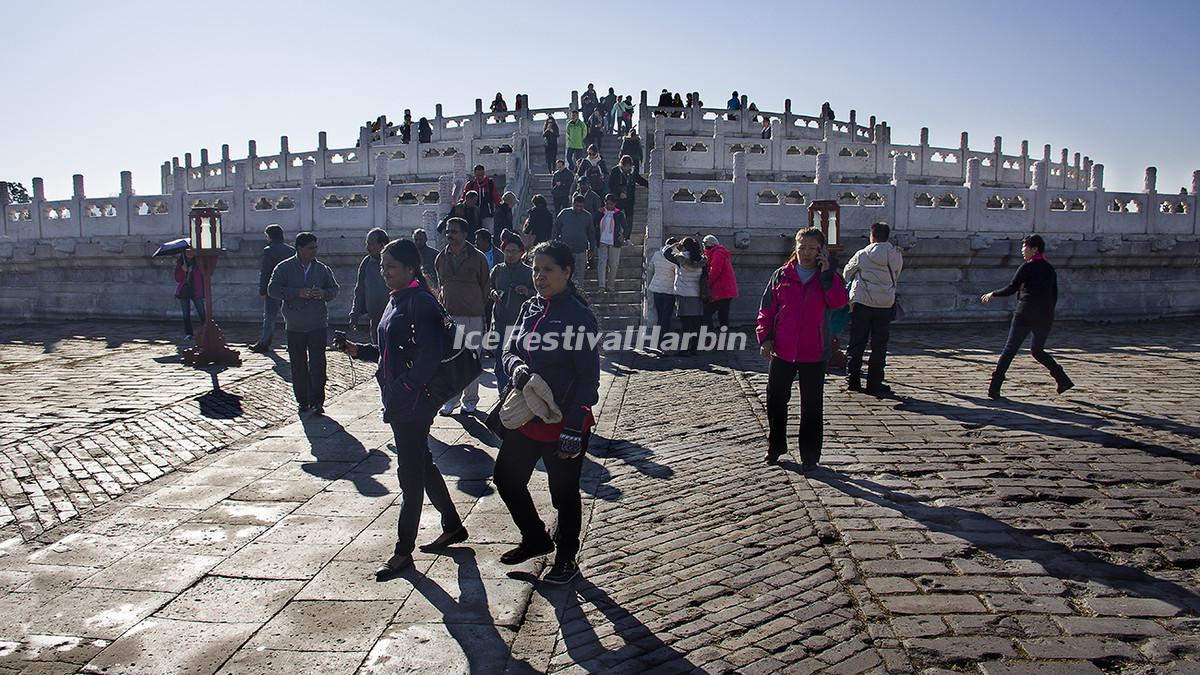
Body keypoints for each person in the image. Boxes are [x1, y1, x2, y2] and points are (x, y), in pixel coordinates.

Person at [341, 239, 467, 579]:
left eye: (391, 267)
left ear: (411, 269)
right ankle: (453, 525)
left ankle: (402, 552)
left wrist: (404, 387)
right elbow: (392, 350)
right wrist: (360, 351)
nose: (384, 273)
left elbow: (427, 358)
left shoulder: (421, 303)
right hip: (400, 399)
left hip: (412, 402)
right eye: (382, 267)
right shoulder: (398, 299)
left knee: (409, 477)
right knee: (421, 464)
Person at [494, 240, 601, 585]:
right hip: (528, 416)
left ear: (567, 272)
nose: (540, 277)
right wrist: (517, 370)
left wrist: (574, 426)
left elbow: (589, 378)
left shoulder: (580, 318)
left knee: (563, 493)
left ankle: (566, 557)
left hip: (565, 422)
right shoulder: (529, 307)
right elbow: (509, 350)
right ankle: (536, 537)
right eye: (536, 270)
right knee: (507, 479)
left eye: (548, 270)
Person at [757, 227, 849, 469]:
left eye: (812, 249)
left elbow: (839, 302)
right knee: (776, 399)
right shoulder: (781, 275)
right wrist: (765, 338)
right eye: (802, 248)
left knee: (811, 404)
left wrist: (828, 274)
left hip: (814, 350)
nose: (806, 253)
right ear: (795, 249)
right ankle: (775, 446)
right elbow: (766, 309)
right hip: (783, 349)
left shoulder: (829, 277)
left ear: (821, 251)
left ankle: (810, 454)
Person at [981, 234, 1073, 399]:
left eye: (1024, 247)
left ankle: (994, 388)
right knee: (1038, 350)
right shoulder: (1049, 269)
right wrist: (1046, 312)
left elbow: (1012, 288)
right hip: (1045, 315)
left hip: (1026, 312)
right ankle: (1062, 379)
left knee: (1010, 349)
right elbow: (1054, 296)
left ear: (1034, 249)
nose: (1022, 250)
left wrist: (993, 294)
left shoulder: (1027, 267)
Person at [268, 232, 340, 416]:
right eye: (311, 248)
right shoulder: (284, 268)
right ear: (300, 249)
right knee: (298, 365)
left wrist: (323, 293)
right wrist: (296, 292)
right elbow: (273, 289)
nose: (314, 251)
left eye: (315, 247)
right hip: (295, 324)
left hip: (317, 323)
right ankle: (303, 400)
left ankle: (318, 401)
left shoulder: (322, 269)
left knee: (318, 364)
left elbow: (334, 289)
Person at [434, 218, 490, 415]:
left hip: (473, 316)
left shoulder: (478, 257)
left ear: (465, 234)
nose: (450, 235)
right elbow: (441, 284)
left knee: (472, 358)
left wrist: (475, 303)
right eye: (448, 231)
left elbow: (485, 285)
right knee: (451, 359)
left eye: (455, 231)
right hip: (451, 317)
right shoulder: (441, 257)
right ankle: (451, 400)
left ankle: (471, 400)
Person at [842, 222, 903, 396]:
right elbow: (896, 275)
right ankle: (875, 382)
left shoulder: (862, 254)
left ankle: (853, 379)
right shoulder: (896, 254)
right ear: (887, 236)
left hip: (862, 303)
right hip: (885, 304)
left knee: (857, 342)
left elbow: (847, 273)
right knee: (879, 345)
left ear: (872, 235)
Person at [489, 230, 534, 391]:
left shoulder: (529, 272)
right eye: (507, 251)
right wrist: (493, 293)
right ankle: (503, 394)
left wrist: (527, 292)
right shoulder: (497, 270)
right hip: (500, 324)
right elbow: (489, 288)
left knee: (521, 364)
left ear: (522, 252)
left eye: (514, 251)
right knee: (500, 365)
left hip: (522, 327)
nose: (510, 254)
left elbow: (538, 295)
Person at [250, 224, 294, 352]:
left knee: (269, 316)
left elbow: (266, 272)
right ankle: (292, 342)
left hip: (274, 288)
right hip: (290, 288)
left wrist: (262, 289)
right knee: (290, 317)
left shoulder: (269, 250)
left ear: (269, 236)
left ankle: (265, 341)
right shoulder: (291, 250)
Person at [662, 238, 707, 356]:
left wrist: (674, 245)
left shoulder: (680, 259)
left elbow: (666, 253)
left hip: (684, 294)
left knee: (686, 324)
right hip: (697, 294)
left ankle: (686, 347)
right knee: (696, 324)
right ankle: (694, 347)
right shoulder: (702, 260)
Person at [350, 228, 391, 344]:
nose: (368, 248)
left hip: (393, 319)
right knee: (376, 352)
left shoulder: (396, 261)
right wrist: (355, 313)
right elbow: (360, 290)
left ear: (382, 245)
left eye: (371, 244)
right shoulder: (366, 263)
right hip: (375, 321)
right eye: (367, 244)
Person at [646, 236, 679, 350]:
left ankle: (656, 341)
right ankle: (663, 342)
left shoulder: (657, 254)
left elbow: (650, 269)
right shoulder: (675, 257)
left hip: (656, 289)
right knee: (666, 318)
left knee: (660, 317)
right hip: (669, 290)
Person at [553, 194, 595, 281]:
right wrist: (555, 244)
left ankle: (579, 292)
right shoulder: (564, 213)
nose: (579, 208)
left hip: (581, 250)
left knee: (580, 273)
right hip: (566, 250)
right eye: (577, 206)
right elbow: (556, 228)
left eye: (581, 206)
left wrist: (592, 248)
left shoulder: (587, 216)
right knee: (565, 273)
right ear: (572, 204)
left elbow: (591, 234)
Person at [702, 235, 739, 330]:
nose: (703, 246)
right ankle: (724, 337)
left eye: (704, 243)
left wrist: (707, 285)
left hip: (721, 290)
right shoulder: (719, 252)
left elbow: (715, 271)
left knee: (707, 313)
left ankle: (709, 337)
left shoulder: (717, 253)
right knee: (723, 316)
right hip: (726, 290)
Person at [595, 194, 630, 293]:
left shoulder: (619, 214)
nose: (608, 205)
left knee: (613, 264)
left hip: (614, 242)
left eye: (610, 204)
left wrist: (623, 236)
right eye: (607, 203)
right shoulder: (601, 212)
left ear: (614, 204)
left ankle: (610, 285)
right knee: (602, 263)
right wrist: (598, 213)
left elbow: (626, 227)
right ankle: (601, 286)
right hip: (602, 241)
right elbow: (594, 222)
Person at [607, 155, 648, 230]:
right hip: (617, 200)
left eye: (629, 166)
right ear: (621, 164)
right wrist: (619, 193)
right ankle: (616, 235)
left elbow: (639, 179)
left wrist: (649, 185)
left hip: (629, 199)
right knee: (616, 218)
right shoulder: (615, 171)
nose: (627, 168)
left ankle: (627, 237)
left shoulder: (633, 171)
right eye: (625, 166)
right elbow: (611, 185)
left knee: (629, 220)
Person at [174, 248, 205, 341]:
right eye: (187, 251)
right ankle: (188, 333)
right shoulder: (181, 262)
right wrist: (183, 270)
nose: (190, 253)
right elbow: (177, 278)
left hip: (196, 290)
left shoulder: (199, 262)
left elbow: (204, 275)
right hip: (185, 290)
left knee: (202, 312)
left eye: (191, 251)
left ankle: (206, 331)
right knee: (186, 314)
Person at [465, 165, 501, 237]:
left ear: (484, 173)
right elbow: (464, 197)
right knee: (474, 234)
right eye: (478, 175)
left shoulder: (490, 184)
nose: (480, 177)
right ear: (474, 174)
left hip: (487, 214)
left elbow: (496, 198)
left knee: (488, 234)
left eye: (482, 175)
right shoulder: (470, 185)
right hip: (473, 215)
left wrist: (501, 206)